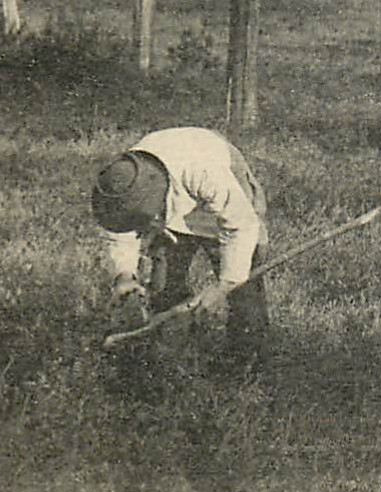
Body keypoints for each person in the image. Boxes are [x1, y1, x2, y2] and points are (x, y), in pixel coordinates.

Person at [91, 126, 270, 379]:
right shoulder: (126, 181)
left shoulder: (204, 170)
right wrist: (125, 275)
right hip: (173, 208)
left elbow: (241, 225)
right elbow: (121, 228)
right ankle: (165, 360)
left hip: (229, 207)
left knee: (245, 292)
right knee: (164, 288)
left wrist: (223, 287)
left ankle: (245, 367)